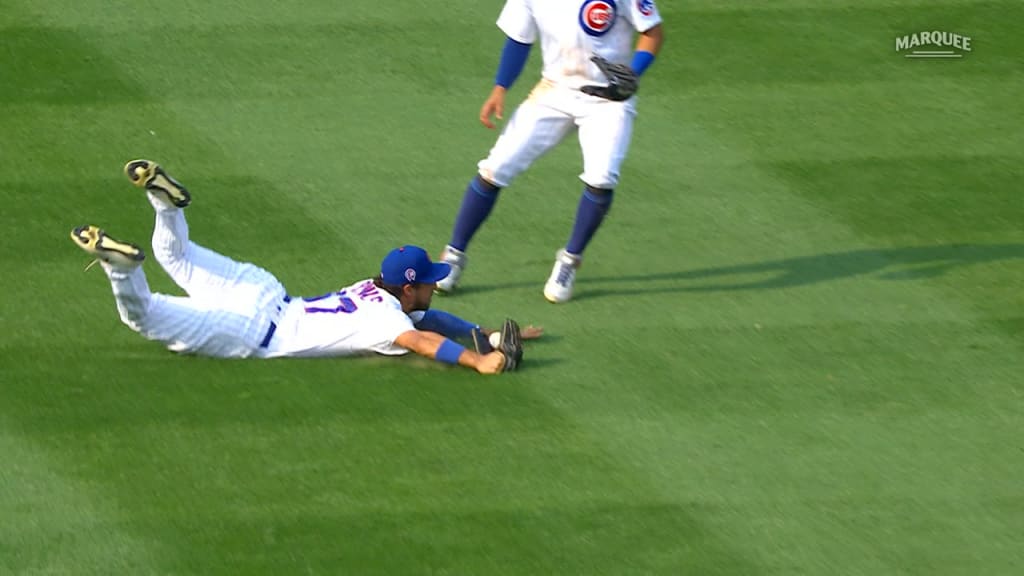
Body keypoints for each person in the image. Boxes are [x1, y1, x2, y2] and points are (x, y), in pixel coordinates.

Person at [70, 160, 542, 374]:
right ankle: (120, 267)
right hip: (247, 329)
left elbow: (428, 320)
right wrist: (477, 360)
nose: (434, 290)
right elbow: (422, 338)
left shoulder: (374, 290)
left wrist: (488, 333)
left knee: (176, 257)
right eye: (429, 285)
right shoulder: (387, 318)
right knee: (145, 316)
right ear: (407, 290)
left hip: (259, 292)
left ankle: (165, 203)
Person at [435, 0, 664, 303]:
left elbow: (653, 32)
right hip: (554, 91)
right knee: (494, 169)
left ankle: (569, 261)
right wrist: (500, 87)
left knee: (602, 177)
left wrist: (632, 74)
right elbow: (519, 38)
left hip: (608, 100)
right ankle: (454, 254)